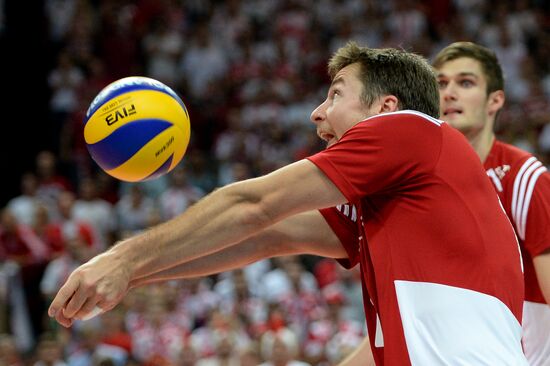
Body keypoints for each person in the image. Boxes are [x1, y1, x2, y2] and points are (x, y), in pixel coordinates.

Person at [48, 42, 527, 365]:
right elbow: (269, 235)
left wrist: (124, 256)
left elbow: (255, 205)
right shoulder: (398, 198)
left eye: (336, 94)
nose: (317, 113)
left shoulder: (412, 130)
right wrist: (133, 276)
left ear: (386, 107)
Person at [433, 41, 550, 366]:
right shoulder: (422, 187)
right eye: (441, 84)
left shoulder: (523, 176)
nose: (449, 93)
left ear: (495, 100)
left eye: (465, 82)